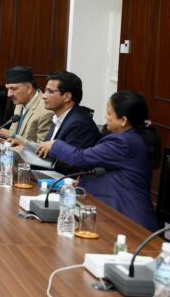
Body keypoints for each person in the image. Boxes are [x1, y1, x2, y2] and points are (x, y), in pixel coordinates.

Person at [36, 91, 160, 231]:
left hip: (128, 220)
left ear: (123, 120)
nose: (106, 117)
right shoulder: (133, 138)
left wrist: (55, 144)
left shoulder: (123, 142)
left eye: (109, 113)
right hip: (118, 214)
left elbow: (81, 158)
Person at [0, 66, 53, 143]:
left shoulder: (46, 111)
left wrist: (13, 136)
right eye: (8, 89)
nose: (9, 94)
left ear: (29, 88)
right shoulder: (19, 103)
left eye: (13, 89)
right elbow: (12, 134)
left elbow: (42, 147)